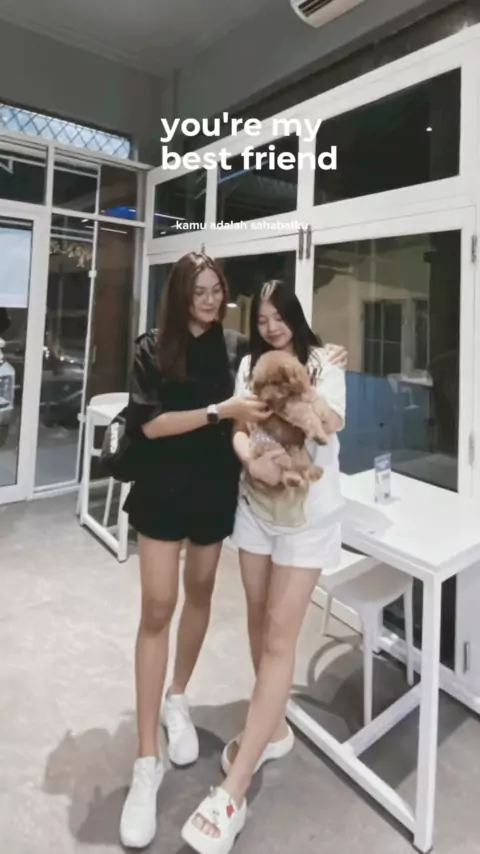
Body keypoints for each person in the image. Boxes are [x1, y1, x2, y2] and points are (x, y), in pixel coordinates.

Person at [119, 254, 346, 849]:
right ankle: (147, 758)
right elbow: (159, 424)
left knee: (212, 603)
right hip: (180, 494)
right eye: (199, 289)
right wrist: (233, 431)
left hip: (223, 498)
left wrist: (324, 365)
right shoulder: (159, 348)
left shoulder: (242, 351)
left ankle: (184, 705)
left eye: (216, 289)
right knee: (162, 608)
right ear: (179, 293)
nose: (210, 298)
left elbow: (314, 401)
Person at [181, 280, 346, 854]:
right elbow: (238, 428)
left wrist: (308, 388)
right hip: (255, 507)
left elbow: (331, 422)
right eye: (263, 319)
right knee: (256, 617)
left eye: (280, 317)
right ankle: (273, 727)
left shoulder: (324, 362)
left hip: (308, 516)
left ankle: (233, 789)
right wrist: (252, 461)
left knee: (280, 636)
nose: (271, 326)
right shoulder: (249, 364)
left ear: (295, 316)